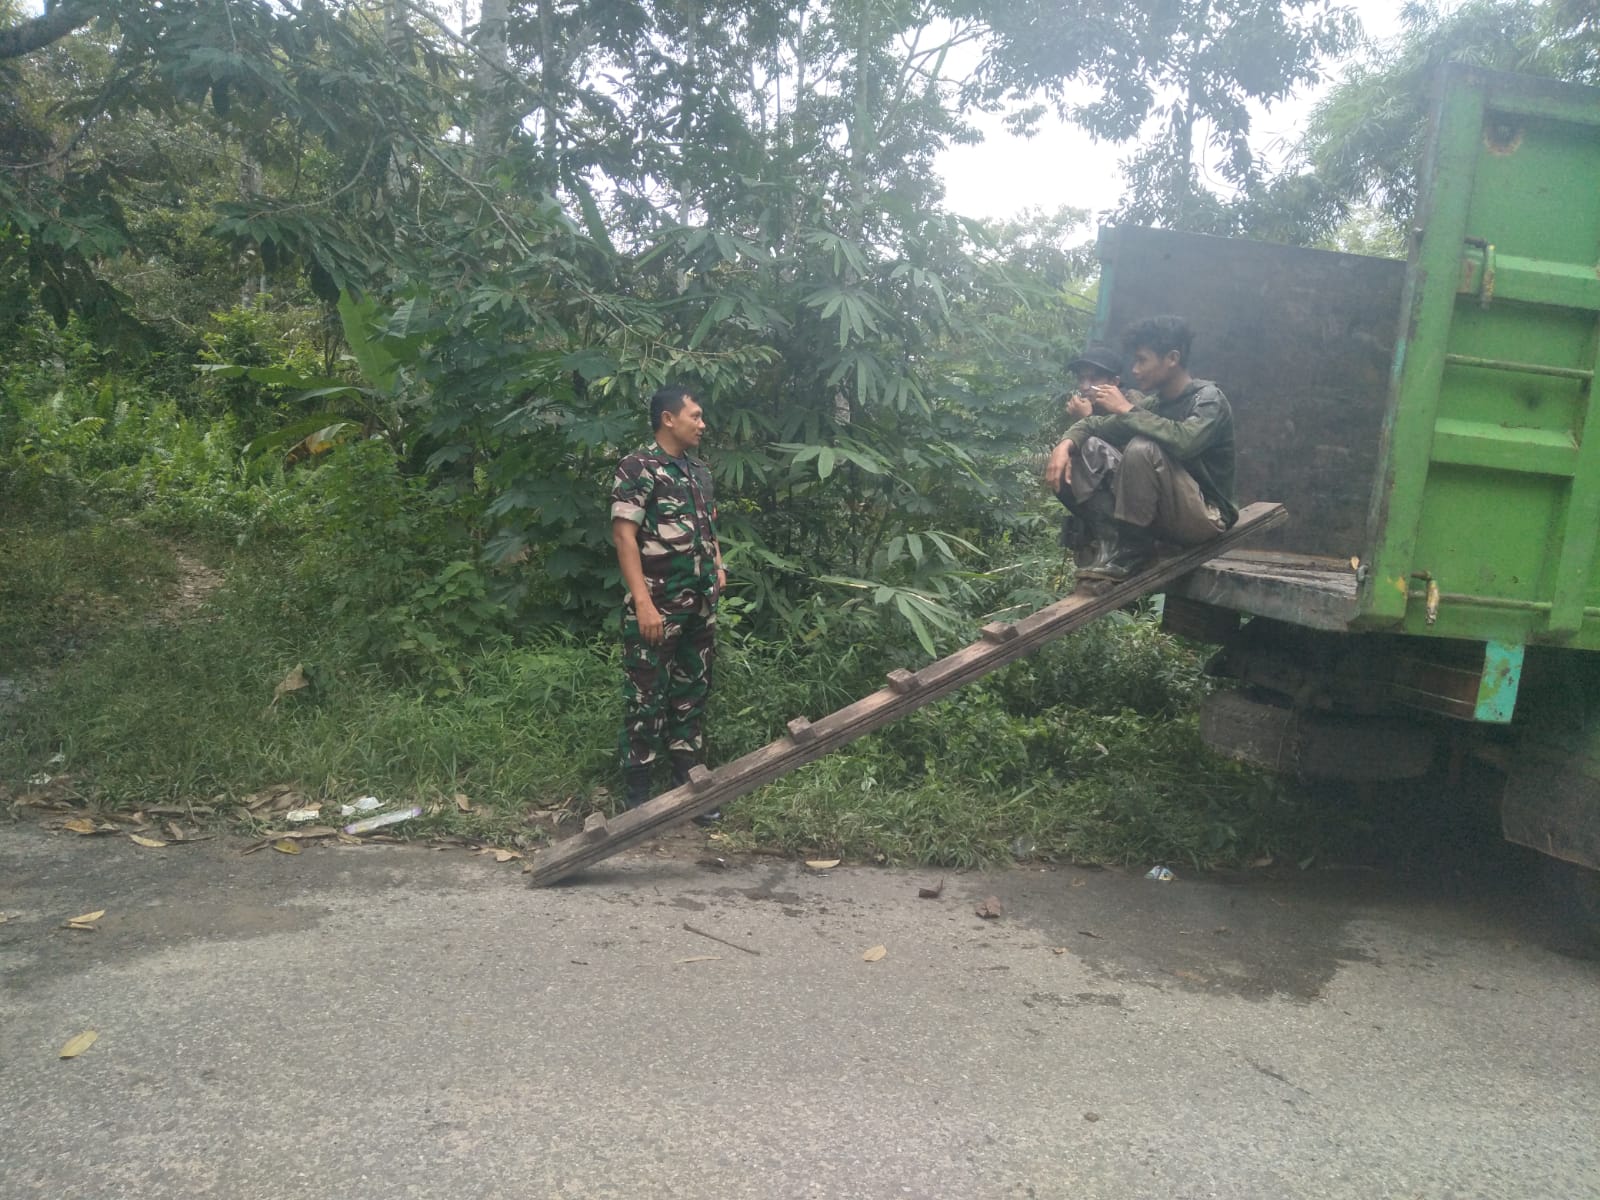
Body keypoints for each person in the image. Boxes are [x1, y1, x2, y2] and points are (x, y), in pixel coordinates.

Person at [1042, 315, 1237, 584]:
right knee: (1087, 448)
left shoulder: (1208, 399)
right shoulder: (1155, 404)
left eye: (1142, 360)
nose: (1135, 369)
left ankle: (1134, 550)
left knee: (1142, 447)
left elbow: (1186, 441)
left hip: (1206, 516)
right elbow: (1098, 427)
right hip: (1166, 518)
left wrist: (1126, 408)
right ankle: (1115, 541)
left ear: (1172, 358)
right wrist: (1065, 445)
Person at [610, 384, 726, 818]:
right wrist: (642, 602)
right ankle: (638, 793)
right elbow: (624, 535)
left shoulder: (698, 471)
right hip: (657, 602)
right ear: (668, 419)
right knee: (646, 694)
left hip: (699, 604)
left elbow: (708, 528)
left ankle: (688, 783)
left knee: (692, 692)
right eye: (695, 416)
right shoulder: (639, 467)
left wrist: (718, 565)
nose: (702, 423)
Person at [1047, 343, 1145, 567]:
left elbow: (1138, 452)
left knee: (1091, 447)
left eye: (1093, 379)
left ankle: (1125, 542)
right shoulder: (1087, 406)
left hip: (1141, 493)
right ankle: (1105, 536)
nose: (1084, 386)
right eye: (1081, 380)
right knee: (1062, 470)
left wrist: (1086, 420)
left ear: (1115, 383)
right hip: (1113, 492)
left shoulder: (1134, 401)